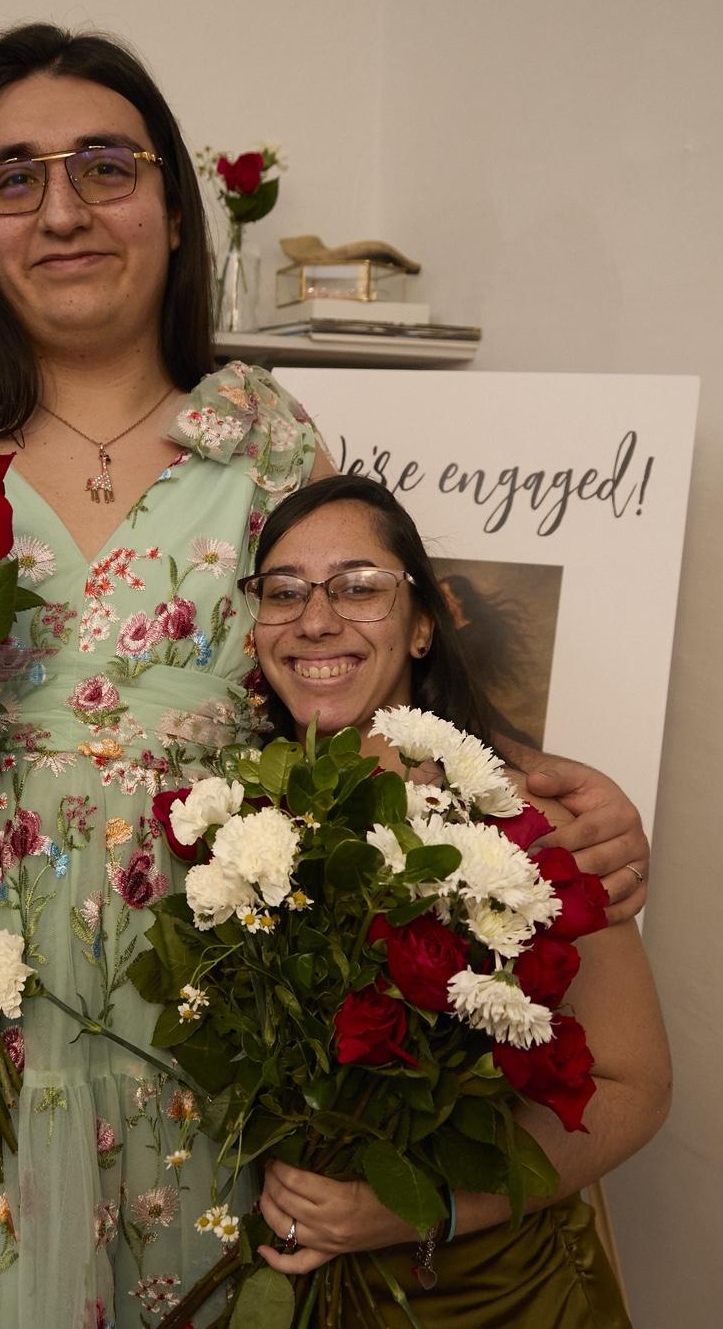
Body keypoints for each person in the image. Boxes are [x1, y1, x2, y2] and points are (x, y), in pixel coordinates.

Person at [0, 23, 650, 1329]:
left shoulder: (266, 439)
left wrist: (550, 789)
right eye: (14, 177)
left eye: (104, 166)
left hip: (165, 1019)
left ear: (175, 207)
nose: (62, 211)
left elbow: (362, 689)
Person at [239, 474, 672, 1326]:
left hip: (496, 1296)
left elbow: (636, 1087)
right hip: (305, 1293)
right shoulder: (236, 818)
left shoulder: (530, 823)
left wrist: (418, 1207)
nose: (315, 619)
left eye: (359, 587)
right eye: (284, 592)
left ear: (423, 625)